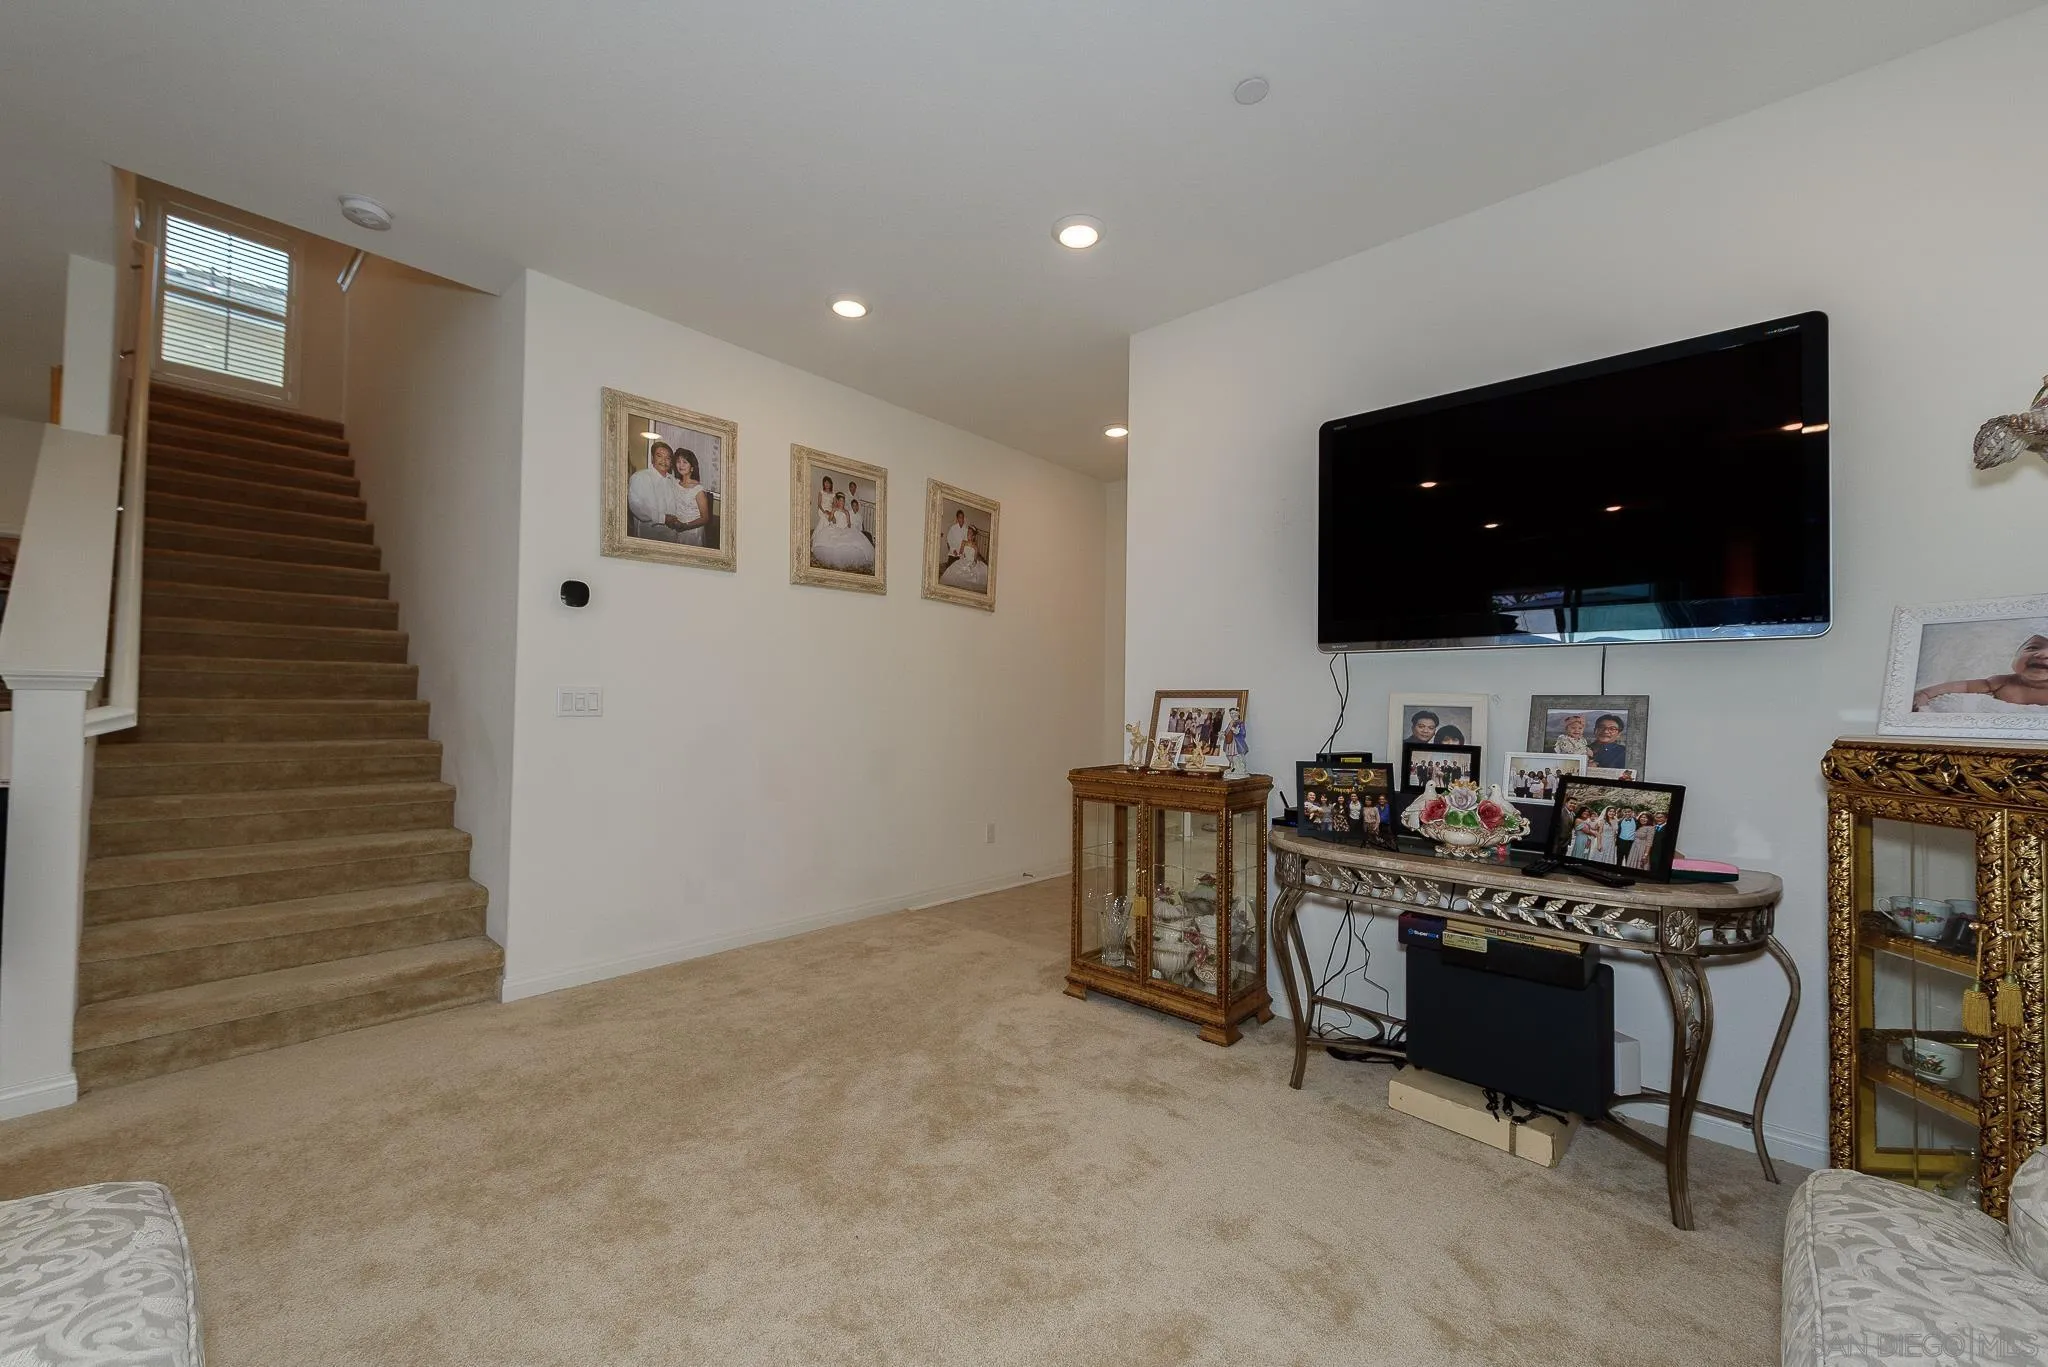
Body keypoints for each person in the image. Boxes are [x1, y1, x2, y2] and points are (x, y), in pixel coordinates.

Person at [1914, 634, 2048, 710]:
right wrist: (1925, 693)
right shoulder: (2002, 682)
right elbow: (1965, 686)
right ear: (2015, 656)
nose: (2042, 654)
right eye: (2033, 648)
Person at [626, 441, 684, 541]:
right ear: (653, 458)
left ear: (671, 462)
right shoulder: (640, 477)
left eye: (668, 458)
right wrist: (663, 518)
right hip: (649, 536)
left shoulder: (674, 481)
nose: (664, 461)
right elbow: (637, 507)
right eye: (659, 456)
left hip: (672, 538)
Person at [811, 491, 876, 571]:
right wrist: (833, 513)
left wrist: (847, 524)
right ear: (837, 501)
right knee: (832, 541)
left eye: (843, 501)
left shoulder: (846, 512)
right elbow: (831, 520)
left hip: (845, 529)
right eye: (841, 501)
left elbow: (849, 524)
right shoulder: (834, 509)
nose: (842, 502)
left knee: (852, 542)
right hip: (836, 527)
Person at [671, 449, 713, 546]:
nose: (680, 465)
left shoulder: (698, 489)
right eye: (678, 461)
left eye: (685, 462)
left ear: (692, 468)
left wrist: (685, 526)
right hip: (676, 529)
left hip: (692, 533)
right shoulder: (675, 483)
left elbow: (705, 518)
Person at [939, 526, 989, 591]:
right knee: (955, 570)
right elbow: (961, 552)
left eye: (970, 533)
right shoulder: (964, 542)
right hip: (964, 560)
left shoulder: (975, 546)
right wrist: (959, 554)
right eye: (968, 533)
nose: (968, 534)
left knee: (977, 572)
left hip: (971, 562)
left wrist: (973, 564)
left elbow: (975, 558)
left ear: (973, 536)